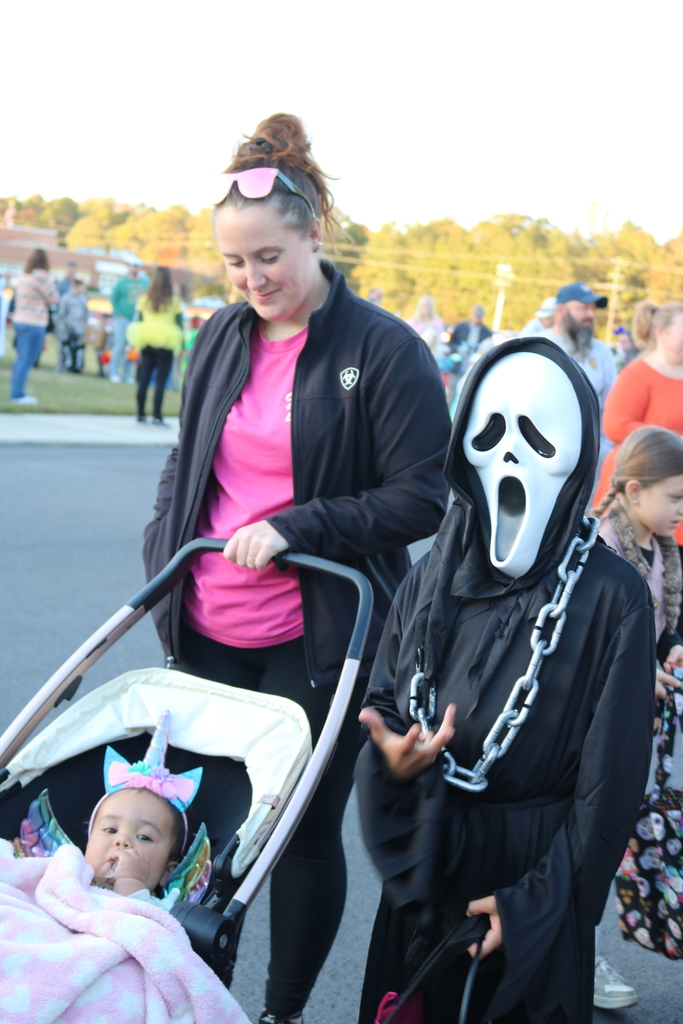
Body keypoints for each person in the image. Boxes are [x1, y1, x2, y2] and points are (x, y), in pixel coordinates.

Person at [142, 112, 452, 1024]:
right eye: (234, 265)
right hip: (204, 622)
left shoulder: (382, 349)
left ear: (313, 231)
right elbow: (185, 463)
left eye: (269, 257)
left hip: (314, 639)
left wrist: (297, 525)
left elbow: (423, 497)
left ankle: (276, 1012)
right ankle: (195, 994)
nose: (252, 282)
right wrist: (166, 547)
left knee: (297, 836)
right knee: (199, 823)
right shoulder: (221, 335)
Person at [355, 336, 655, 1024]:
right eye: (491, 433)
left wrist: (541, 901)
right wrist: (396, 754)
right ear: (463, 445)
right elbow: (384, 697)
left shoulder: (611, 596)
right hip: (432, 856)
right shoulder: (434, 572)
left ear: (576, 451)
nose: (510, 455)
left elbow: (609, 784)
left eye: (536, 436)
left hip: (534, 865)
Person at [589, 425, 683, 1009]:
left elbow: (662, 627)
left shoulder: (662, 552)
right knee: (586, 842)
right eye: (675, 497)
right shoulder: (602, 549)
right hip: (591, 728)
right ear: (633, 488)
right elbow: (589, 642)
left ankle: (572, 946)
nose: (682, 509)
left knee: (606, 839)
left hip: (633, 725)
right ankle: (574, 954)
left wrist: (669, 648)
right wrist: (637, 669)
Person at [594, 302, 683, 548]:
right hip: (646, 485)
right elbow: (615, 425)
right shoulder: (638, 374)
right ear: (661, 333)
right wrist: (673, 442)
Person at [540, 282, 616, 473]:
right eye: (582, 308)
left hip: (591, 460)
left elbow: (610, 405)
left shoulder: (602, 352)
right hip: (542, 458)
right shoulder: (539, 346)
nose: (590, 315)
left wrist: (603, 450)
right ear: (560, 310)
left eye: (592, 309)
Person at [127, 266, 183, 425]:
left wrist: (133, 342)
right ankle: (157, 416)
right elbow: (179, 324)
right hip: (167, 340)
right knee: (161, 381)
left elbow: (138, 320)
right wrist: (182, 346)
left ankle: (140, 414)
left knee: (143, 378)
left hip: (146, 338)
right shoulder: (173, 300)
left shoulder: (145, 298)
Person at [9, 248, 59, 404]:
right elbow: (53, 299)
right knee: (27, 359)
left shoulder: (24, 277)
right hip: (34, 322)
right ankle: (17, 394)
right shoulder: (42, 278)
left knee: (21, 359)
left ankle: (17, 390)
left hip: (19, 320)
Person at [110, 262, 146, 383]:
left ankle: (127, 374)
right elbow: (113, 298)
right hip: (122, 319)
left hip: (136, 320)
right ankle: (114, 372)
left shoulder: (145, 283)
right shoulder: (122, 282)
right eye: (133, 266)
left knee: (132, 347)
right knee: (119, 346)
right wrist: (118, 313)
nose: (135, 268)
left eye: (137, 266)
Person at [56, 277, 88, 373]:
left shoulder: (83, 299)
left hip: (79, 329)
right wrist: (64, 328)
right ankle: (62, 367)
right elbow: (62, 314)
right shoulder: (66, 298)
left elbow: (85, 315)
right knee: (64, 349)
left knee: (78, 350)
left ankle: (75, 367)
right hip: (67, 329)